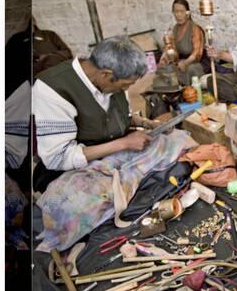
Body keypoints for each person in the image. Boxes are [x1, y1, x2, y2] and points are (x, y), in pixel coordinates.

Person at [33, 35, 158, 192]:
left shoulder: (111, 80)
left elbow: (116, 116)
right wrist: (124, 143)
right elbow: (57, 158)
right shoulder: (52, 90)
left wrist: (144, 122)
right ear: (105, 74)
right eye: (125, 85)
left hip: (112, 160)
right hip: (71, 175)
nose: (126, 90)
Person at [157, 0, 207, 86]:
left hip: (197, 62)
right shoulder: (175, 29)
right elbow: (173, 50)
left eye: (181, 11)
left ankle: (189, 92)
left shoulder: (195, 28)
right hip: (182, 61)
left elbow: (197, 54)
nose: (178, 15)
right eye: (176, 12)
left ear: (187, 13)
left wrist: (185, 63)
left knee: (190, 69)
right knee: (164, 70)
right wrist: (165, 59)